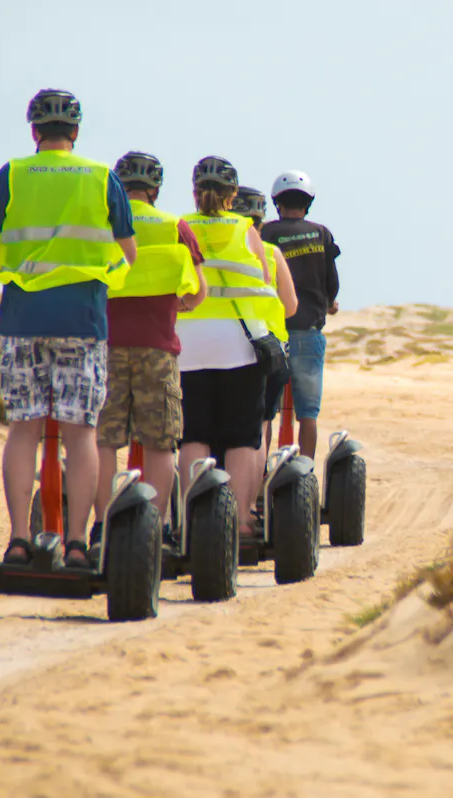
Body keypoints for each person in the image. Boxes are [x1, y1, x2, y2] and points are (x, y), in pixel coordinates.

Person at [0, 88, 136, 569]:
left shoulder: (14, 173)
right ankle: (78, 544)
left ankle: (19, 541)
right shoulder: (101, 177)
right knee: (81, 432)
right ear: (77, 133)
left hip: (22, 318)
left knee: (23, 427)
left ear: (34, 132)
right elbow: (127, 254)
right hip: (82, 320)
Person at [92, 151, 208, 550]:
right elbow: (198, 291)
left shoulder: (104, 224)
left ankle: (102, 526)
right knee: (160, 442)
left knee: (104, 440)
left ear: (119, 188)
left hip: (105, 346)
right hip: (157, 348)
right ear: (155, 189)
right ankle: (154, 528)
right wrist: (181, 306)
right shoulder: (173, 225)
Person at [176, 156, 277, 540]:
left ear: (195, 192)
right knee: (242, 435)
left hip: (190, 345)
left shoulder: (182, 228)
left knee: (194, 434)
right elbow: (264, 283)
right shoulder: (246, 229)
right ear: (233, 195)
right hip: (239, 345)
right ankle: (242, 520)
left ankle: (191, 519)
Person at [260, 170, 341, 460]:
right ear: (308, 203)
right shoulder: (321, 233)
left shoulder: (265, 233)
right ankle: (305, 471)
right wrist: (330, 303)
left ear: (276, 203)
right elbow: (331, 282)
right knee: (308, 414)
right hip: (307, 331)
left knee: (265, 413)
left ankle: (258, 477)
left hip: (270, 334)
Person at [230, 185, 298, 477]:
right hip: (266, 351)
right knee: (259, 428)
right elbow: (291, 306)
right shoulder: (271, 253)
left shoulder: (210, 251)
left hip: (221, 347)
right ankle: (252, 493)